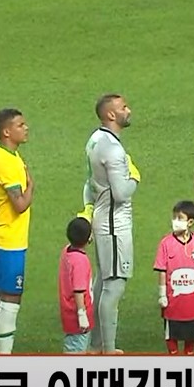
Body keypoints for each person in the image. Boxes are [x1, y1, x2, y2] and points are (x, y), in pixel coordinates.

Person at [81, 94, 138, 354]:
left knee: (102, 284)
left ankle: (95, 346)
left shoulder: (95, 139)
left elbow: (88, 185)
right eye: (123, 107)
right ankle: (108, 349)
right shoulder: (113, 149)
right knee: (114, 286)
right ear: (111, 115)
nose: (129, 110)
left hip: (103, 219)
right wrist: (134, 177)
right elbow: (122, 193)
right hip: (115, 226)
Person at [0, 108, 34, 354]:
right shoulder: (6, 162)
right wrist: (31, 186)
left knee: (0, 296)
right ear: (6, 131)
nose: (26, 128)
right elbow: (19, 204)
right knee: (11, 298)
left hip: (1, 237)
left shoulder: (1, 155)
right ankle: (3, 358)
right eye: (20, 125)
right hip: (9, 242)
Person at [155, 202, 194, 355]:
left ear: (190, 222)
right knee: (171, 334)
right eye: (174, 217)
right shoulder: (166, 243)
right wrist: (162, 295)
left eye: (180, 218)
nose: (175, 221)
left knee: (191, 335)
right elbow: (162, 271)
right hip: (172, 303)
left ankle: (188, 355)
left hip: (193, 302)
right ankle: (173, 355)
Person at [59, 218, 95, 354]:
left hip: (68, 313)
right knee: (76, 350)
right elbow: (79, 290)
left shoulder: (66, 252)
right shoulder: (80, 261)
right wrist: (82, 315)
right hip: (77, 319)